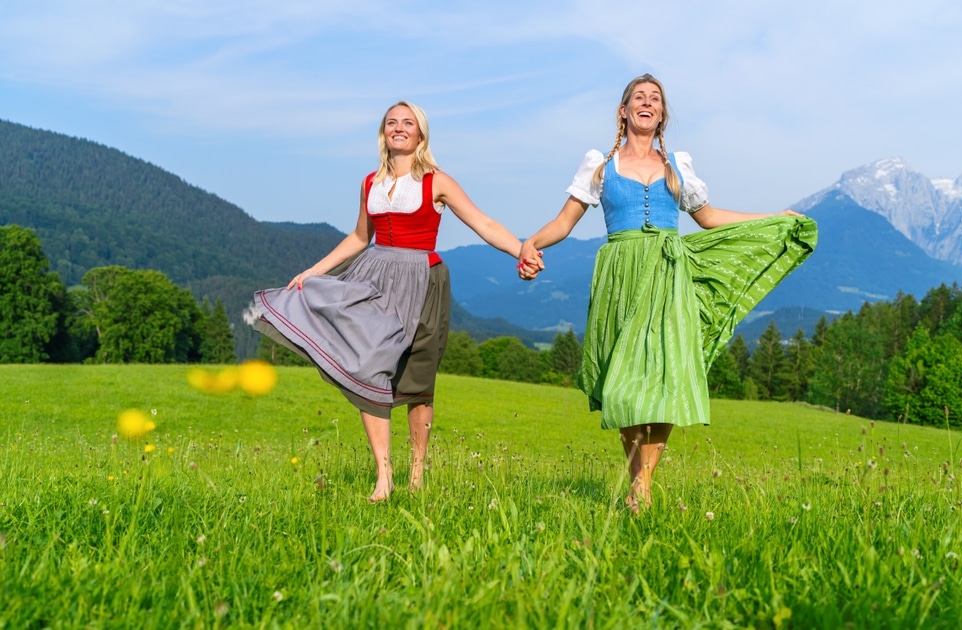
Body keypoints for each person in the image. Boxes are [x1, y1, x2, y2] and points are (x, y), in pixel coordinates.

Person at [517, 74, 817, 512]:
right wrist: (531, 243)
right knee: (623, 385)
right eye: (638, 97)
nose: (647, 102)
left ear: (661, 114)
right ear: (623, 111)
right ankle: (639, 481)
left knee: (664, 381)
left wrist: (772, 216)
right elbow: (564, 222)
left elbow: (710, 218)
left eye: (654, 99)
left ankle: (642, 486)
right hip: (621, 274)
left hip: (668, 273)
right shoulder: (600, 165)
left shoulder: (678, 164)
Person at [253, 101, 524, 503]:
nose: (399, 128)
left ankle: (417, 473)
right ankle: (384, 473)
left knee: (418, 382)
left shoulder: (437, 181)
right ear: (384, 133)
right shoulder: (370, 183)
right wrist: (314, 271)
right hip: (374, 278)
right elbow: (360, 237)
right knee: (365, 364)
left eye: (407, 123)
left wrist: (521, 250)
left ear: (420, 134)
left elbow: (482, 223)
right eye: (391, 123)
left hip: (422, 281)